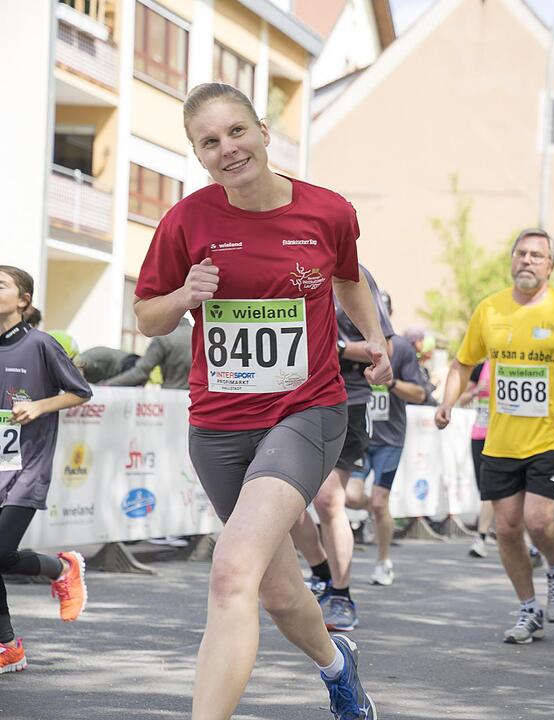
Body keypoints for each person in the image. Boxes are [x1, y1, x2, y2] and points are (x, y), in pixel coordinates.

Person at [132, 83, 389, 719]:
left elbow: (348, 280)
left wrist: (378, 338)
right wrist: (185, 296)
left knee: (229, 571)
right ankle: (338, 668)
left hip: (307, 411)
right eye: (209, 142)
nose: (228, 149)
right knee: (274, 591)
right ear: (197, 155)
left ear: (265, 131)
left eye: (236, 132)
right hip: (218, 425)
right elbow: (147, 318)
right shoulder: (186, 221)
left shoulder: (328, 212)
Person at [435, 228, 554, 644]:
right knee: (509, 529)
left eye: (537, 255)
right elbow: (463, 364)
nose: (527, 261)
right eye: (521, 253)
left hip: (552, 435)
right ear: (511, 260)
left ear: (550, 266)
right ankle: (528, 608)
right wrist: (447, 400)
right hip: (501, 439)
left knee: (537, 520)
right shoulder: (490, 310)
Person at [289, 264, 395, 634]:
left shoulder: (357, 276)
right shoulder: (286, 261)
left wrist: (336, 347)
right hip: (292, 398)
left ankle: (341, 594)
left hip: (348, 402)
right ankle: (320, 572)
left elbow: (386, 348)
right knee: (283, 498)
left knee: (328, 498)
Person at [0, 265, 91, 674]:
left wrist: (39, 405)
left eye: (0, 285)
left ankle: (62, 568)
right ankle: (8, 647)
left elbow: (80, 391)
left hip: (26, 466)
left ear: (23, 301)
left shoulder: (41, 345)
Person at [344, 294, 428, 586]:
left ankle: (383, 561)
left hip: (390, 438)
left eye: (382, 311)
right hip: (359, 433)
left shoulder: (402, 349)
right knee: (352, 497)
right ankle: (376, 514)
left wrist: (389, 381)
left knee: (380, 502)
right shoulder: (352, 344)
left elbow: (419, 394)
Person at [460, 360, 497, 558]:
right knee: (483, 488)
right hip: (479, 434)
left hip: (501, 435)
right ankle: (499, 528)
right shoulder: (480, 368)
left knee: (489, 490)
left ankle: (481, 538)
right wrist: (476, 391)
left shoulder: (512, 362)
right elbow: (462, 399)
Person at [103, 316, 193, 388]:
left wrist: (106, 384)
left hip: (172, 398)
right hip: (197, 398)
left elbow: (141, 372)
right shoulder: (197, 334)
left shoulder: (164, 337)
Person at [73, 346, 139, 383]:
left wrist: (77, 367)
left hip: (127, 363)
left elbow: (83, 361)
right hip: (125, 364)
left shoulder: (86, 359)